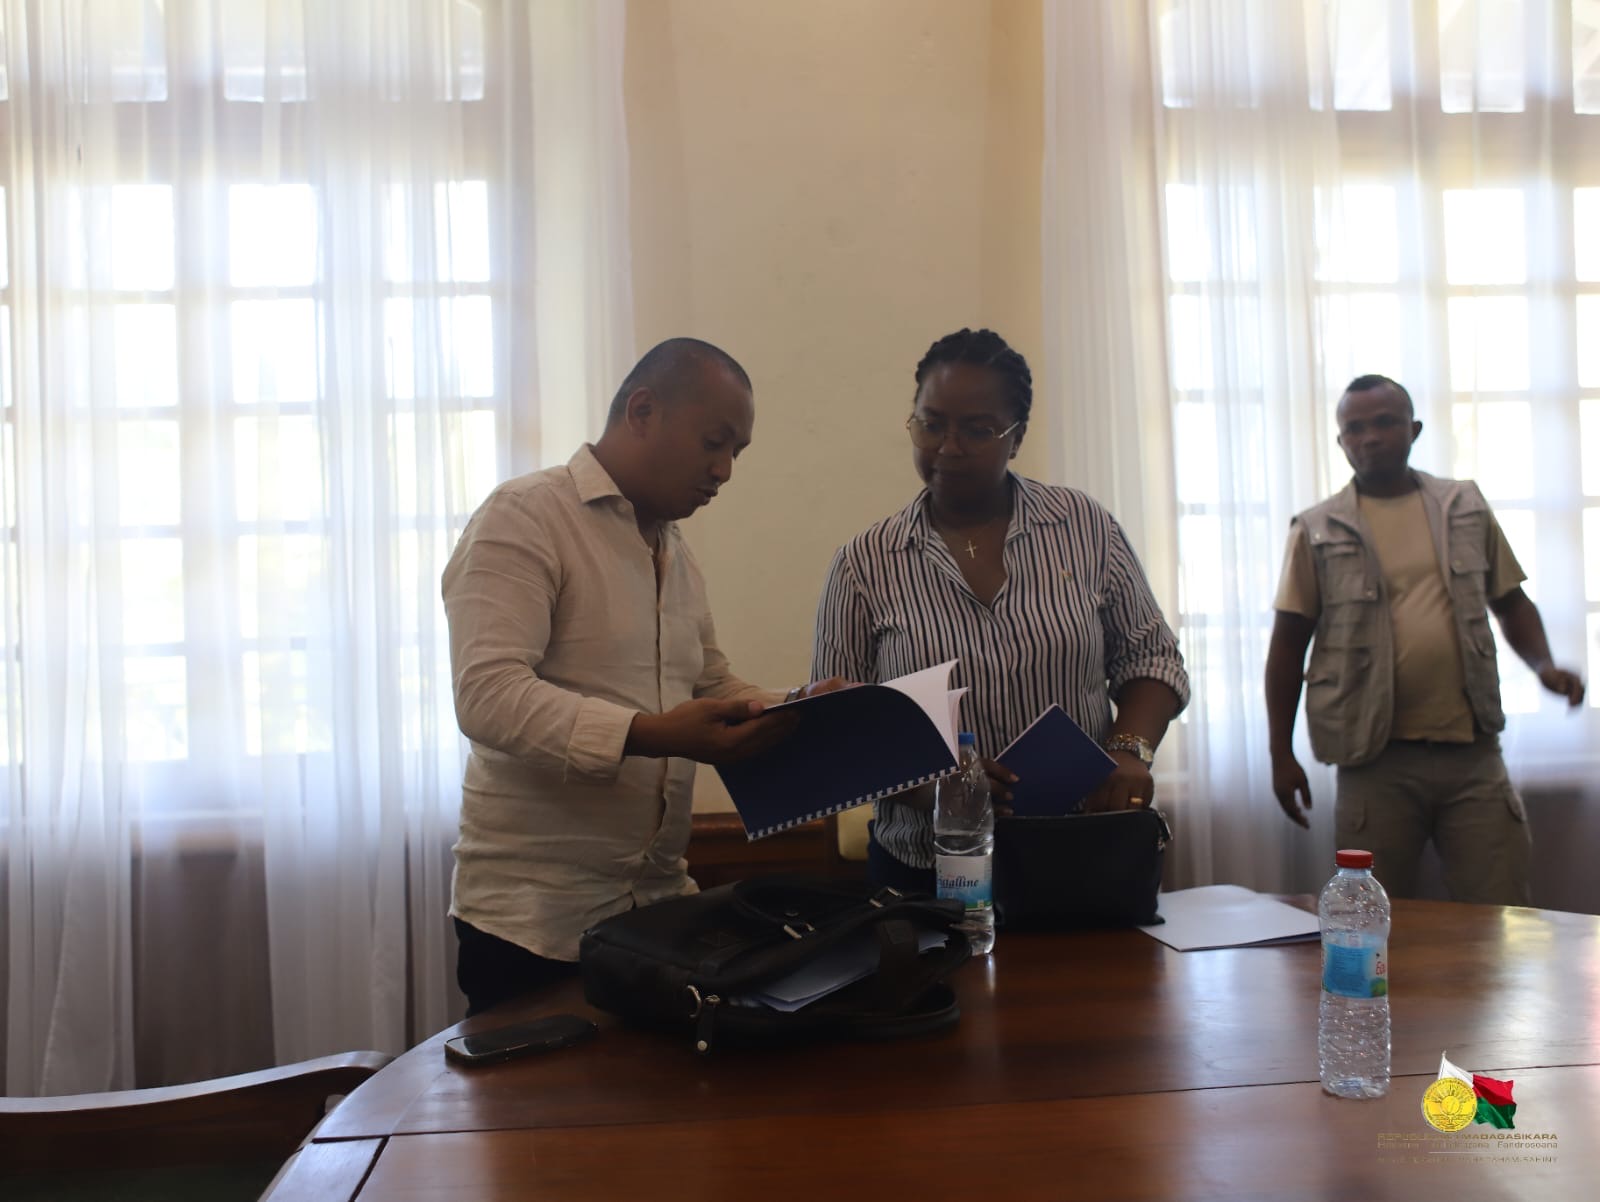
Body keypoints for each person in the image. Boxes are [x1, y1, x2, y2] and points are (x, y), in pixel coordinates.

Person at [443, 338, 840, 1015]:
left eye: (737, 453)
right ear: (643, 410)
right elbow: (487, 695)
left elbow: (708, 682)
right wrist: (652, 735)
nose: (724, 470)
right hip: (533, 924)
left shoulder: (673, 550)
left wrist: (802, 705)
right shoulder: (524, 515)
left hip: (656, 911)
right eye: (713, 442)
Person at [810, 328, 1190, 892]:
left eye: (978, 429)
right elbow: (834, 729)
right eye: (931, 423)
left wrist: (1129, 750)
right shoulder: (864, 564)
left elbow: (1152, 658)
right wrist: (936, 788)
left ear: (1017, 437)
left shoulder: (1084, 527)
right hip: (926, 871)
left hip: (1081, 853)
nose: (948, 446)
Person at [1265, 374, 1585, 905]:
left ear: (1413, 429)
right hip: (1373, 762)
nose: (1370, 437)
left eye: (1385, 422)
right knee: (1370, 918)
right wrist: (1281, 753)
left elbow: (1510, 601)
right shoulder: (1318, 529)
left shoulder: (1464, 507)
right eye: (1355, 428)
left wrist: (1545, 666)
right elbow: (1286, 647)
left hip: (1472, 754)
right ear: (1341, 441)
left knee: (1500, 912)